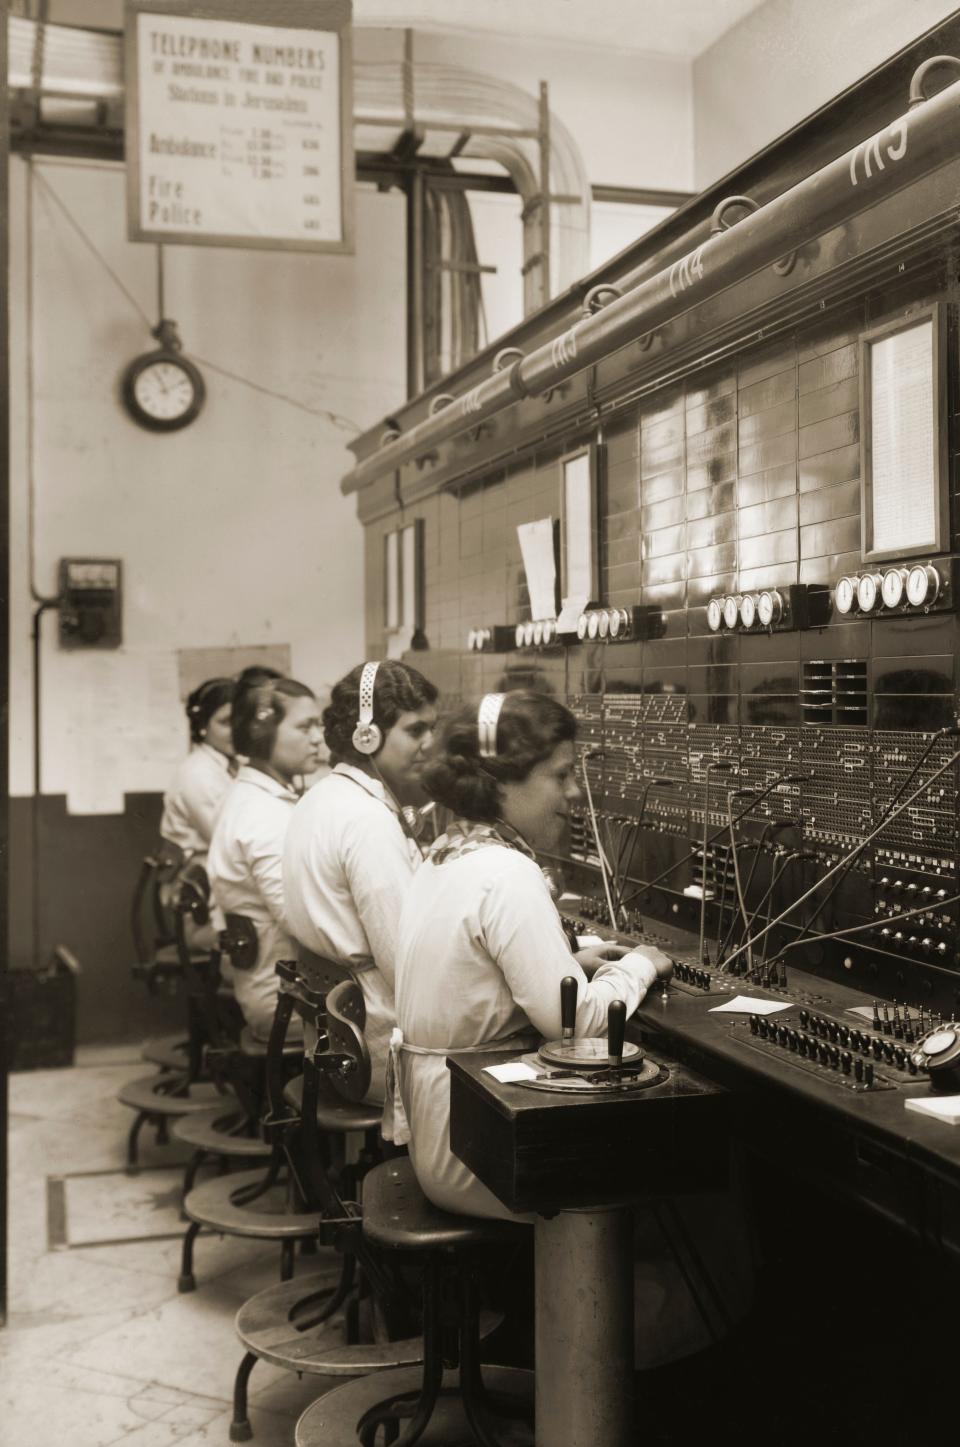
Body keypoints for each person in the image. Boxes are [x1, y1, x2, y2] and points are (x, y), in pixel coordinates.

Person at [391, 690, 673, 1220]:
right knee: (681, 1169)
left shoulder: (449, 853)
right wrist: (642, 964)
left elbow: (486, 979)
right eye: (560, 776)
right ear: (499, 780)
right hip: (477, 1152)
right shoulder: (506, 873)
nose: (571, 795)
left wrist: (572, 962)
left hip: (452, 1128)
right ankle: (654, 1299)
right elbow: (581, 1023)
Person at [283, 660, 439, 1109]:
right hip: (376, 1050)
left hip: (337, 1044)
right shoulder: (368, 821)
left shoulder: (320, 798)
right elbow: (406, 967)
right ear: (366, 735)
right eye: (416, 730)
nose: (430, 744)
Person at [208, 678, 322, 1038]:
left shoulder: (254, 795)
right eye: (305, 726)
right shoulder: (263, 814)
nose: (318, 738)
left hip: (273, 984)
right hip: (283, 1000)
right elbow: (299, 921)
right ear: (263, 735)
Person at [160, 677, 236, 859]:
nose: (235, 730)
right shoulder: (197, 773)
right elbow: (227, 839)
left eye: (239, 720)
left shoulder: (231, 764)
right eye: (225, 722)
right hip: (196, 874)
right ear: (203, 725)